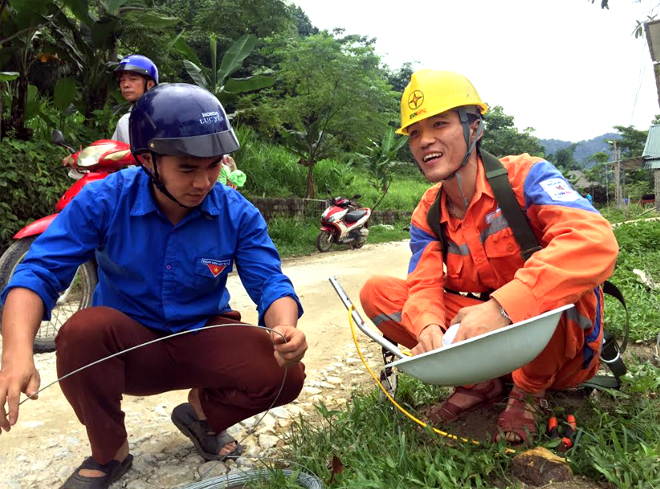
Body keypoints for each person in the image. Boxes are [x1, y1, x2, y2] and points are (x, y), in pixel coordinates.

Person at [0, 83, 308, 488]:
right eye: (186, 168)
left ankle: (203, 412)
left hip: (201, 337)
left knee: (284, 373)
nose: (203, 182)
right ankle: (110, 451)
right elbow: (37, 271)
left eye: (214, 166)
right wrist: (16, 352)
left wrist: (284, 327)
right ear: (148, 161)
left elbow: (269, 279)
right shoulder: (104, 199)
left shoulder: (237, 213)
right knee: (81, 332)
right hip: (128, 349)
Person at [359, 69, 618, 445]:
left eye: (440, 124)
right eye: (414, 132)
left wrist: (502, 309)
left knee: (562, 284)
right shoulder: (428, 212)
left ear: (475, 128)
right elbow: (424, 282)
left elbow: (594, 240)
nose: (424, 141)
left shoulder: (526, 177)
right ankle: (480, 383)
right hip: (484, 343)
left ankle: (529, 390)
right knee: (377, 292)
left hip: (558, 349)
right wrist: (428, 324)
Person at [62, 54, 158, 177]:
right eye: (122, 80)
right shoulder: (125, 121)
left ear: (150, 84)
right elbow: (110, 156)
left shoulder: (163, 117)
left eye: (133, 79)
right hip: (134, 185)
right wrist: (82, 161)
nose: (125, 84)